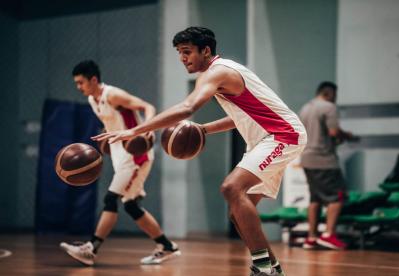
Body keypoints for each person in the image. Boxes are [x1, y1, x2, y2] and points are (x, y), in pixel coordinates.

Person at [93, 27, 307, 276]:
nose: (183, 58)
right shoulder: (220, 73)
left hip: (283, 135)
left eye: (187, 52)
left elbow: (187, 108)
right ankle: (273, 268)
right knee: (237, 211)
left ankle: (262, 268)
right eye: (179, 54)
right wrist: (203, 130)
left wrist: (135, 130)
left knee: (231, 188)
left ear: (206, 51)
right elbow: (238, 117)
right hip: (263, 139)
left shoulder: (218, 72)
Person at [60, 60, 180, 266]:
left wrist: (148, 129)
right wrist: (108, 140)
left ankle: (92, 248)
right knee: (131, 205)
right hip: (120, 155)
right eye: (77, 83)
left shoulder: (113, 95)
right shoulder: (92, 99)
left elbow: (146, 106)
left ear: (94, 80)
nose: (79, 87)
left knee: (110, 199)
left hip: (134, 157)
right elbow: (114, 123)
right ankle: (167, 246)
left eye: (81, 82)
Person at [299, 81, 356, 250]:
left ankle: (311, 237)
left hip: (307, 158)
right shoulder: (329, 107)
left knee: (315, 198)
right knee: (338, 196)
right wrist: (348, 136)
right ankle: (329, 234)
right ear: (329, 93)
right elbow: (333, 132)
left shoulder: (305, 108)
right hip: (324, 160)